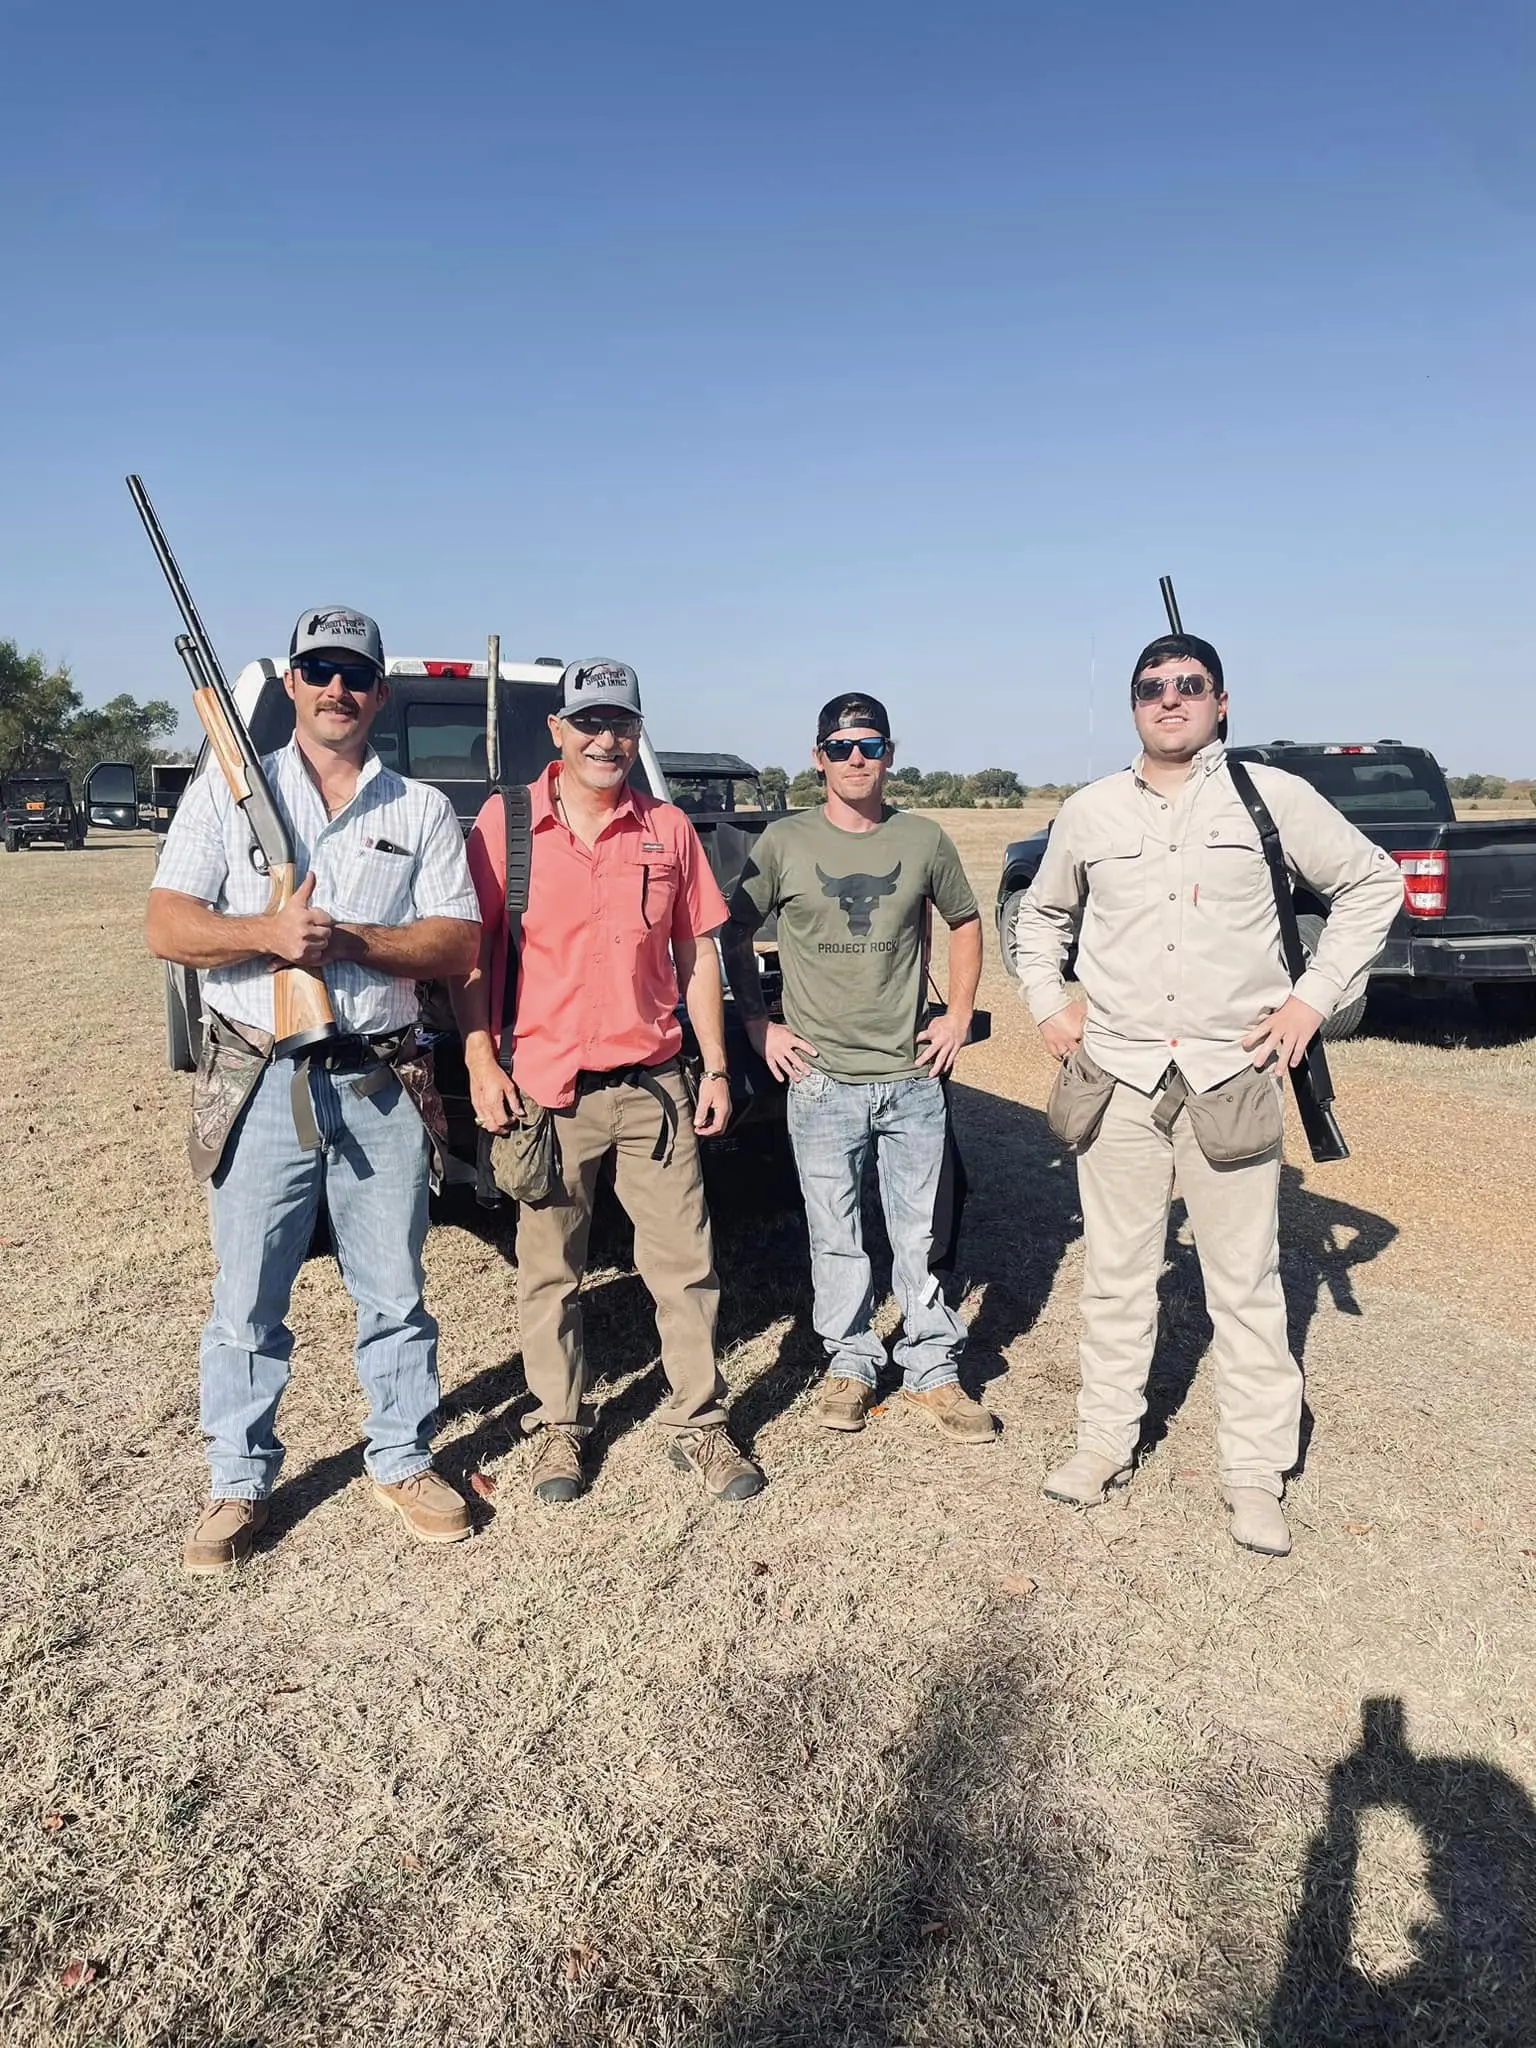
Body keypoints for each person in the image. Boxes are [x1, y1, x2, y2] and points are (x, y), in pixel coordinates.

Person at [1013, 630, 1404, 1556]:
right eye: (1152, 687)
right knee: (1115, 1278)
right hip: (1118, 1073)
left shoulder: (1271, 799)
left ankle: (1255, 1476)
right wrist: (1044, 1001)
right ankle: (1102, 1445)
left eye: (1191, 684)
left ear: (1222, 701)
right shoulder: (1093, 811)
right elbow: (1042, 914)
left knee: (1247, 1287)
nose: (1170, 698)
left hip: (1231, 1076)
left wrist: (1313, 1000)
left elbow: (1371, 882)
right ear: (1133, 704)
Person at [147, 606, 483, 1574]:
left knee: (396, 1289)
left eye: (355, 673)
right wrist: (269, 935)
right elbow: (167, 923)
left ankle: (404, 1456)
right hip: (261, 1078)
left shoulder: (415, 808)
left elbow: (456, 940)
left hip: (381, 1076)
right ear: (291, 683)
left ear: (379, 693)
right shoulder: (226, 787)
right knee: (246, 1296)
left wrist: (346, 943)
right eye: (319, 668)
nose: (337, 687)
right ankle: (239, 1479)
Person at [456, 658, 764, 1505]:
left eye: (621, 724)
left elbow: (696, 952)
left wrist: (715, 1067)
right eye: (588, 722)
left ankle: (698, 1425)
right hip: (546, 1094)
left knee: (684, 1263)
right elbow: (473, 955)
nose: (606, 739)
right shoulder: (506, 823)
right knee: (549, 1268)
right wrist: (482, 1058)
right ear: (556, 731)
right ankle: (561, 1425)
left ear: (637, 733)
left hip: (654, 1088)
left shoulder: (667, 828)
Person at [722, 693, 996, 1443]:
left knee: (918, 1234)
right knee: (834, 1232)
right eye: (840, 746)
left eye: (868, 745)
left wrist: (958, 1014)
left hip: (910, 1076)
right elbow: (734, 929)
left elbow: (966, 920)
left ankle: (934, 1369)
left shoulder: (924, 838)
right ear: (818, 758)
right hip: (820, 1080)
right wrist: (757, 1023)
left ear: (889, 754)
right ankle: (850, 1361)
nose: (854, 759)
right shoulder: (783, 841)